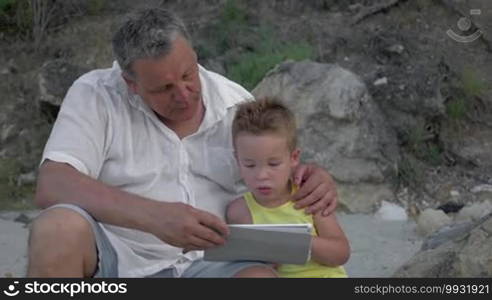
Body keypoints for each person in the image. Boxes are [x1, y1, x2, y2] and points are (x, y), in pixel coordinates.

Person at [27, 7, 339, 278]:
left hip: (214, 265)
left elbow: (275, 172)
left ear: (193, 54)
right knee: (57, 230)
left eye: (188, 74)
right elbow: (53, 183)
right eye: (163, 88)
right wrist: (154, 217)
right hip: (117, 259)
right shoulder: (96, 94)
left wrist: (312, 178)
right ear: (130, 83)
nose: (184, 94)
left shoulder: (235, 104)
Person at [227, 98, 349, 277]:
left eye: (274, 164)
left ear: (293, 158)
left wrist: (299, 242)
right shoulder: (239, 211)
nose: (262, 175)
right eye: (250, 165)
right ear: (237, 160)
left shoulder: (309, 197)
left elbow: (340, 253)